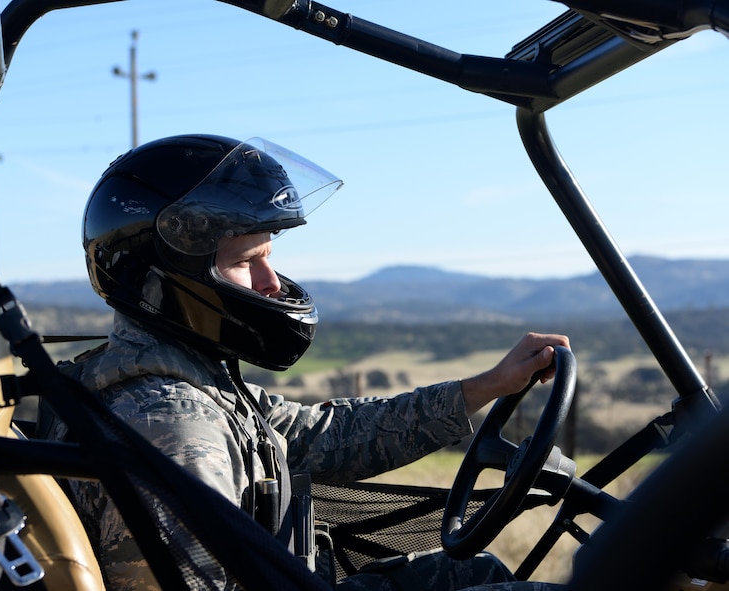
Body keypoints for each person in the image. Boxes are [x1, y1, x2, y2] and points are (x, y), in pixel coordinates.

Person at [46, 134, 570, 591]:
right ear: (170, 279)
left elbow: (321, 434)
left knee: (475, 572)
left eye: (269, 257)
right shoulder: (172, 427)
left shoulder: (196, 383)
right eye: (248, 263)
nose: (272, 285)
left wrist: (485, 387)